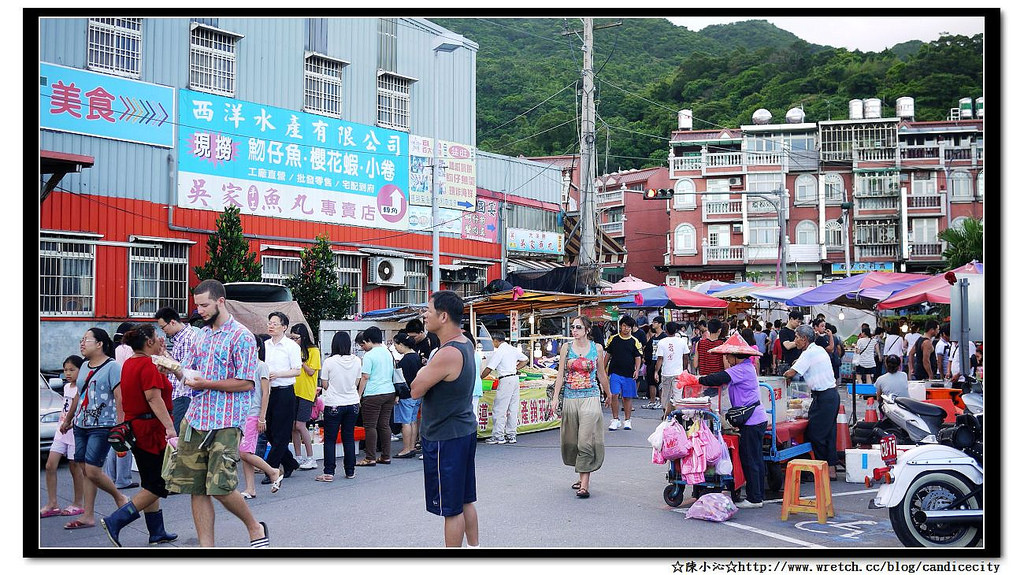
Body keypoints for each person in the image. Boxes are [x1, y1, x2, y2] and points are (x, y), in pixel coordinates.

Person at [160, 279, 268, 548]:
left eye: (205, 305)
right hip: (195, 419)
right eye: (197, 305)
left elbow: (246, 382)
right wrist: (173, 368)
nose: (200, 311)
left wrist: (205, 383)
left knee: (220, 486)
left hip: (226, 421)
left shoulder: (242, 336)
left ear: (221, 301)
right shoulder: (200, 334)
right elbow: (190, 372)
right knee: (195, 488)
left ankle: (255, 528)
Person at [410, 291, 480, 547]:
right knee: (465, 499)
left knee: (451, 509)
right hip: (462, 431)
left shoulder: (447, 353)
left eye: (428, 310)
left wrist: (425, 368)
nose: (424, 315)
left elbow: (416, 388)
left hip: (445, 437)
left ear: (443, 316)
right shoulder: (466, 343)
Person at [99, 324, 178, 547]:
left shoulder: (131, 363)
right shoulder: (147, 365)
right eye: (157, 337)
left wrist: (162, 355)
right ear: (149, 342)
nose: (161, 340)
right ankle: (116, 520)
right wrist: (170, 427)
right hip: (150, 429)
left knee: (149, 481)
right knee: (159, 484)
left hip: (137, 427)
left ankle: (157, 531)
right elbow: (154, 399)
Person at [58, 327, 130, 530]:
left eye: (86, 340)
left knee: (92, 469)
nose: (82, 343)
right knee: (84, 468)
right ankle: (88, 515)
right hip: (81, 424)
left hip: (103, 425)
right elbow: (78, 396)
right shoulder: (84, 367)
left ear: (99, 344)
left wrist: (121, 424)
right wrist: (68, 419)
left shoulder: (113, 366)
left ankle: (120, 496)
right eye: (81, 340)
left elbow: (120, 397)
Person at [697, 333, 769, 509]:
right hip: (757, 419)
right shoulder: (747, 367)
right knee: (756, 458)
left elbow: (718, 378)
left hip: (752, 421)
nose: (727, 360)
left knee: (750, 459)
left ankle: (754, 499)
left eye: (728, 356)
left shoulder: (742, 369)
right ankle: (758, 494)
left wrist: (696, 379)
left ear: (737, 356)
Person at [550, 315, 610, 499]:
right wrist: (555, 398)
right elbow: (560, 375)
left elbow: (601, 374)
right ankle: (581, 473)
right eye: (573, 327)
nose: (574, 330)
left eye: (578, 327)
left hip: (591, 396)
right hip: (570, 397)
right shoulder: (566, 348)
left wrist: (609, 393)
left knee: (586, 439)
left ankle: (584, 484)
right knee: (574, 439)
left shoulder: (597, 348)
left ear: (587, 330)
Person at [783, 325, 840, 481]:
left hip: (825, 397)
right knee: (828, 433)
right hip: (829, 396)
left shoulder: (809, 353)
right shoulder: (817, 349)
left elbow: (791, 373)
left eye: (796, 338)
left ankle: (820, 469)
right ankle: (830, 470)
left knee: (816, 434)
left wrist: (784, 376)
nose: (795, 341)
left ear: (804, 339)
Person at [41, 355, 87, 519]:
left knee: (75, 468)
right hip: (61, 431)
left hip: (74, 431)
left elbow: (81, 409)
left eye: (72, 370)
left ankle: (78, 503)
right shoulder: (67, 387)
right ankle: (52, 503)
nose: (68, 373)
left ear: (81, 371)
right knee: (50, 465)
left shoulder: (82, 388)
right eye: (65, 370)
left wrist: (70, 423)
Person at [238, 333, 281, 498]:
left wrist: (262, 417)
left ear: (256, 348)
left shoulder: (261, 366)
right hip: (241, 414)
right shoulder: (242, 366)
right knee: (245, 453)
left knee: (244, 453)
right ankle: (250, 488)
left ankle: (272, 471)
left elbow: (266, 393)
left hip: (254, 413)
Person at [262, 312, 303, 483]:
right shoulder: (265, 345)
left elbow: (297, 370)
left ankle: (271, 469)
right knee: (269, 431)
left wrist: (278, 374)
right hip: (268, 392)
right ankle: (290, 462)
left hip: (285, 391)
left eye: (275, 323)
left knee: (281, 433)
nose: (271, 326)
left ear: (284, 327)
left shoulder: (291, 346)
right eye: (269, 323)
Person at [318, 331, 362, 480]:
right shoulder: (357, 360)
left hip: (334, 404)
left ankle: (329, 472)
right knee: (348, 437)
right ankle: (350, 471)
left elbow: (324, 384)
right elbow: (357, 382)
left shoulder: (330, 361)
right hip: (352, 402)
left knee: (330, 439)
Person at [155, 307, 202, 434]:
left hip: (183, 394)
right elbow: (177, 363)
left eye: (163, 327)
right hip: (178, 393)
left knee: (177, 435)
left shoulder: (187, 339)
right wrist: (165, 353)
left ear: (172, 322)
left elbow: (182, 369)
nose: (163, 331)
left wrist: (165, 356)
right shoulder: (180, 338)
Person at [105, 322, 139, 491]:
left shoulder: (112, 350)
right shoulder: (125, 350)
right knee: (124, 437)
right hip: (125, 397)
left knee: (116, 437)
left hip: (114, 398)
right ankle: (123, 479)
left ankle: (111, 476)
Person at [356, 326, 397, 466]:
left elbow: (365, 377)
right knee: (384, 425)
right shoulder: (388, 353)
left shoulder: (369, 355)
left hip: (373, 394)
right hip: (389, 392)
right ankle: (386, 456)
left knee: (370, 426)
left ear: (368, 340)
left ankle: (370, 457)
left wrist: (359, 395)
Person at [480, 331, 529, 444]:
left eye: (493, 341)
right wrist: (516, 369)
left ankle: (498, 436)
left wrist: (480, 378)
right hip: (515, 379)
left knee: (500, 408)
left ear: (496, 340)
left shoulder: (500, 351)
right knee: (513, 408)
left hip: (506, 379)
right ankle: (511, 435)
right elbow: (525, 359)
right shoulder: (512, 349)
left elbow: (489, 368)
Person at [289, 323, 320, 470]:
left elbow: (311, 372)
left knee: (301, 425)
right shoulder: (292, 349)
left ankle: (310, 457)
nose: (294, 340)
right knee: (293, 426)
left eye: (296, 338)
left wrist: (300, 361)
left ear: (304, 337)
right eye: (292, 338)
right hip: (292, 390)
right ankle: (298, 457)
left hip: (306, 392)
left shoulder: (313, 350)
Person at [602, 316, 642, 431]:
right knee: (614, 394)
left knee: (627, 397)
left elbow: (638, 357)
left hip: (629, 373)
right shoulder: (613, 339)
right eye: (624, 326)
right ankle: (615, 419)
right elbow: (608, 355)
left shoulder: (635, 341)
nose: (626, 328)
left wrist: (637, 370)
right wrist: (603, 369)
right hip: (614, 372)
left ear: (631, 328)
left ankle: (627, 420)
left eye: (628, 327)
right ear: (621, 326)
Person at [393, 332, 424, 457]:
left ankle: (406, 449)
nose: (395, 347)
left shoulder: (404, 361)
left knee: (405, 422)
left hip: (406, 395)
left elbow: (401, 381)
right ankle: (411, 447)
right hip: (417, 394)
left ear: (401, 344)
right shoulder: (416, 357)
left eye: (396, 345)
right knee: (413, 421)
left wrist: (397, 395)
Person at [654, 321, 691, 417]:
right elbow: (686, 356)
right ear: (676, 330)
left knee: (665, 395)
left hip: (666, 372)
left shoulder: (662, 342)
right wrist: (685, 369)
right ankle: (677, 415)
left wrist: (656, 371)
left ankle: (666, 414)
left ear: (666, 330)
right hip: (678, 372)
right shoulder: (682, 341)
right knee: (677, 396)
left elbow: (660, 359)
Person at [642, 316, 667, 409]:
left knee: (660, 382)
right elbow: (647, 348)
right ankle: (652, 401)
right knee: (651, 382)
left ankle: (661, 401)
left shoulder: (664, 337)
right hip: (651, 361)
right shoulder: (653, 337)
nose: (653, 324)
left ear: (660, 324)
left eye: (655, 322)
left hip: (660, 361)